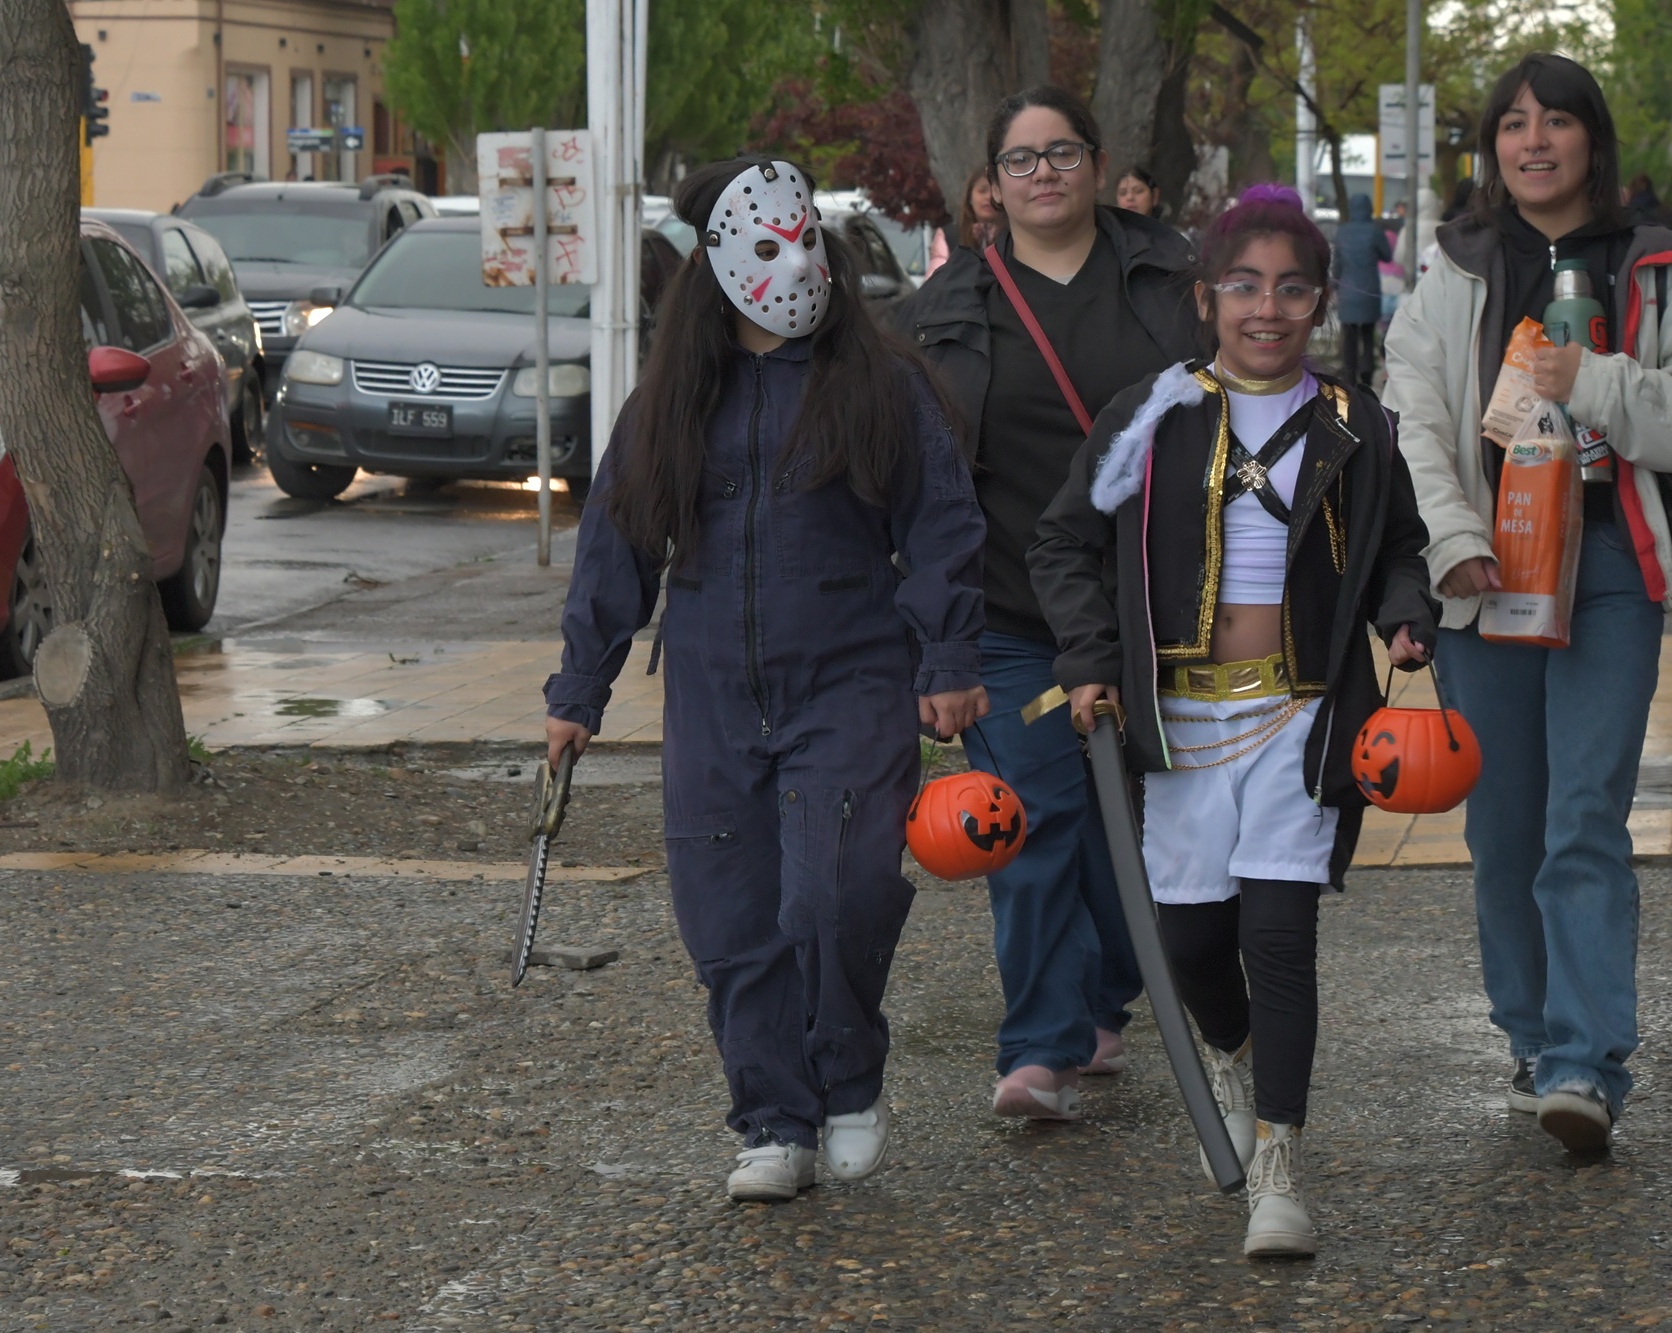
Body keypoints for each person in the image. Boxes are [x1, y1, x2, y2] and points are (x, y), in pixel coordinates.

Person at [545, 158, 988, 1202]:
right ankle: (772, 1119)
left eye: (805, 248)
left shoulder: (878, 385)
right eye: (763, 251)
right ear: (716, 269)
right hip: (707, 690)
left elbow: (940, 526)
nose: (791, 269)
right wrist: (578, 691)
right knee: (729, 915)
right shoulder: (670, 400)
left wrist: (949, 658)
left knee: (835, 893)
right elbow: (616, 543)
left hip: (849, 678)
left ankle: (845, 1076)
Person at [1029, 183, 1437, 1256]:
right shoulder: (1149, 415)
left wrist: (1404, 617)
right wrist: (1085, 660)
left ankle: (1280, 1165)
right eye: (1245, 287)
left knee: (1278, 933)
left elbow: (1399, 546)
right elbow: (1061, 545)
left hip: (1300, 720)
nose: (1268, 309)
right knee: (1192, 942)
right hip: (1175, 731)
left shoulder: (1357, 424)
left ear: (1321, 299)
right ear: (1206, 297)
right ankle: (1232, 1047)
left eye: (1291, 288)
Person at [1383, 53, 1672, 1154]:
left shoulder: (1661, 267)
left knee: (1582, 816)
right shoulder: (1450, 272)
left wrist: (1593, 382)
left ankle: (1582, 1061)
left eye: (1555, 121)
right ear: (1491, 148)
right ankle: (1526, 1031)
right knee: (1503, 825)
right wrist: (1452, 545)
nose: (1533, 141)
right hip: (1484, 571)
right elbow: (1408, 419)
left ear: (1592, 143)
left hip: (1605, 565)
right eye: (1512, 124)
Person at [898, 85, 1204, 1119]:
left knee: (1143, 838)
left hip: (1153, 616)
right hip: (1011, 618)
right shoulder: (943, 315)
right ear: (989, 185)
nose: (1042, 174)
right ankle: (1038, 1047)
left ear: (1094, 161)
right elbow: (917, 484)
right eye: (1020, 160)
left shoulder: (1168, 281)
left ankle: (1098, 993)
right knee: (1030, 824)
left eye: (1060, 152)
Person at [1330, 193, 1393, 388]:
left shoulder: (1342, 232)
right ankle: (1366, 372)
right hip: (1369, 290)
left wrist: (1334, 285)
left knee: (1349, 335)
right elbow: (1387, 256)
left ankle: (1349, 375)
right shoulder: (1375, 232)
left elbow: (1337, 264)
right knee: (1367, 332)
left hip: (1348, 290)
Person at [930, 170, 1004, 274]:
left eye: (995, 191)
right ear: (970, 197)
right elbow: (935, 283)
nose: (989, 197)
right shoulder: (949, 235)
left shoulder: (1015, 237)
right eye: (982, 191)